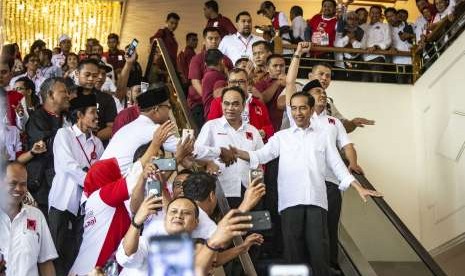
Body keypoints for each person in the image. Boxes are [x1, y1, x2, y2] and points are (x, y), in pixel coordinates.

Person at [232, 90, 381, 276]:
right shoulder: (281, 137)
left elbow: (336, 164)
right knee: (293, 255)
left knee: (320, 252)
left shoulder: (323, 135)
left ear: (311, 110)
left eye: (302, 108)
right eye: (293, 108)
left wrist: (358, 187)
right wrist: (237, 152)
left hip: (316, 202)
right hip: (289, 203)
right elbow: (260, 155)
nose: (298, 113)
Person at [69, 133, 165, 276]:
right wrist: (155, 144)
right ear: (106, 177)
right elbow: (132, 179)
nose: (119, 177)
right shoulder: (103, 196)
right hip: (93, 271)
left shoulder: (97, 202)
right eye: (116, 174)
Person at [48, 94, 104, 276]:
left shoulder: (97, 143)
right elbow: (67, 166)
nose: (97, 117)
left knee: (78, 250)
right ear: (79, 115)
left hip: (86, 206)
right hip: (63, 202)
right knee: (57, 250)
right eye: (93, 112)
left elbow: (102, 170)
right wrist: (91, 179)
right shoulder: (64, 134)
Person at [196, 86, 263, 207]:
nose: (230, 108)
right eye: (226, 104)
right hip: (220, 188)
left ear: (243, 106)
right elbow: (196, 154)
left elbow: (260, 160)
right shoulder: (211, 126)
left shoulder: (253, 131)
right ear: (221, 104)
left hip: (249, 190)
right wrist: (208, 163)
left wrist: (257, 186)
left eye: (235, 104)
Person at [0, 162, 58, 276]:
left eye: (23, 184)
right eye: (13, 183)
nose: (18, 188)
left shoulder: (36, 216)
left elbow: (46, 262)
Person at [25, 77, 70, 216]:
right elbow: (48, 145)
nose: (68, 95)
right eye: (64, 91)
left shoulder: (69, 116)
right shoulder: (37, 119)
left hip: (66, 186)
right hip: (44, 187)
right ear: (50, 95)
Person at [208, 68, 275, 142]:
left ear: (248, 83)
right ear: (228, 84)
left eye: (241, 81)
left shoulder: (258, 104)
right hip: (228, 144)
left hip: (253, 146)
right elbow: (212, 126)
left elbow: (269, 127)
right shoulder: (218, 102)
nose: (237, 85)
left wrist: (264, 132)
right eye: (233, 82)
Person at [188, 27, 234, 128]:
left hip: (224, 103)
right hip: (199, 103)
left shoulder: (226, 60)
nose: (214, 41)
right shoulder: (197, 59)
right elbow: (195, 82)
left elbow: (232, 78)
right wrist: (208, 99)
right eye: (210, 38)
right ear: (204, 40)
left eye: (216, 38)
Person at [76, 58, 117, 145]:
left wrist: (90, 139)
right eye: (87, 75)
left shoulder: (107, 98)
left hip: (97, 149)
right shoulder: (68, 95)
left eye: (94, 75)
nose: (91, 79)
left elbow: (112, 127)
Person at [254, 54, 287, 130]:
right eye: (275, 66)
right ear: (267, 68)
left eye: (282, 66)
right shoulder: (261, 84)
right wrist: (277, 83)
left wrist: (289, 83)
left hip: (286, 126)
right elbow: (262, 100)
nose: (279, 69)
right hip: (266, 127)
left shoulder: (290, 83)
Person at [362, 5, 392, 83]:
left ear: (380, 15)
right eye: (373, 13)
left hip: (377, 57)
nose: (374, 15)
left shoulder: (385, 26)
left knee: (377, 83)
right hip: (363, 59)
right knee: (364, 84)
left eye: (377, 13)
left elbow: (388, 41)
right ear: (369, 14)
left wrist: (376, 46)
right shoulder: (364, 27)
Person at [334, 11, 365, 81]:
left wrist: (353, 41)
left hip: (356, 64)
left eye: (355, 19)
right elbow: (337, 44)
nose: (352, 21)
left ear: (358, 21)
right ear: (346, 20)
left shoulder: (361, 31)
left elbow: (362, 47)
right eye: (350, 18)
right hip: (340, 64)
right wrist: (347, 37)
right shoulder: (340, 29)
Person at [385, 8, 413, 84]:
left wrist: (410, 35)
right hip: (398, 61)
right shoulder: (386, 29)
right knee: (401, 86)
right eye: (387, 17)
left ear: (397, 15)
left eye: (391, 16)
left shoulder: (409, 25)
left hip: (412, 59)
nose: (390, 18)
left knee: (415, 84)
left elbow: (418, 37)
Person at [202, 49, 227, 119]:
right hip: (215, 114)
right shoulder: (217, 75)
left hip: (209, 113)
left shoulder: (207, 74)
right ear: (222, 61)